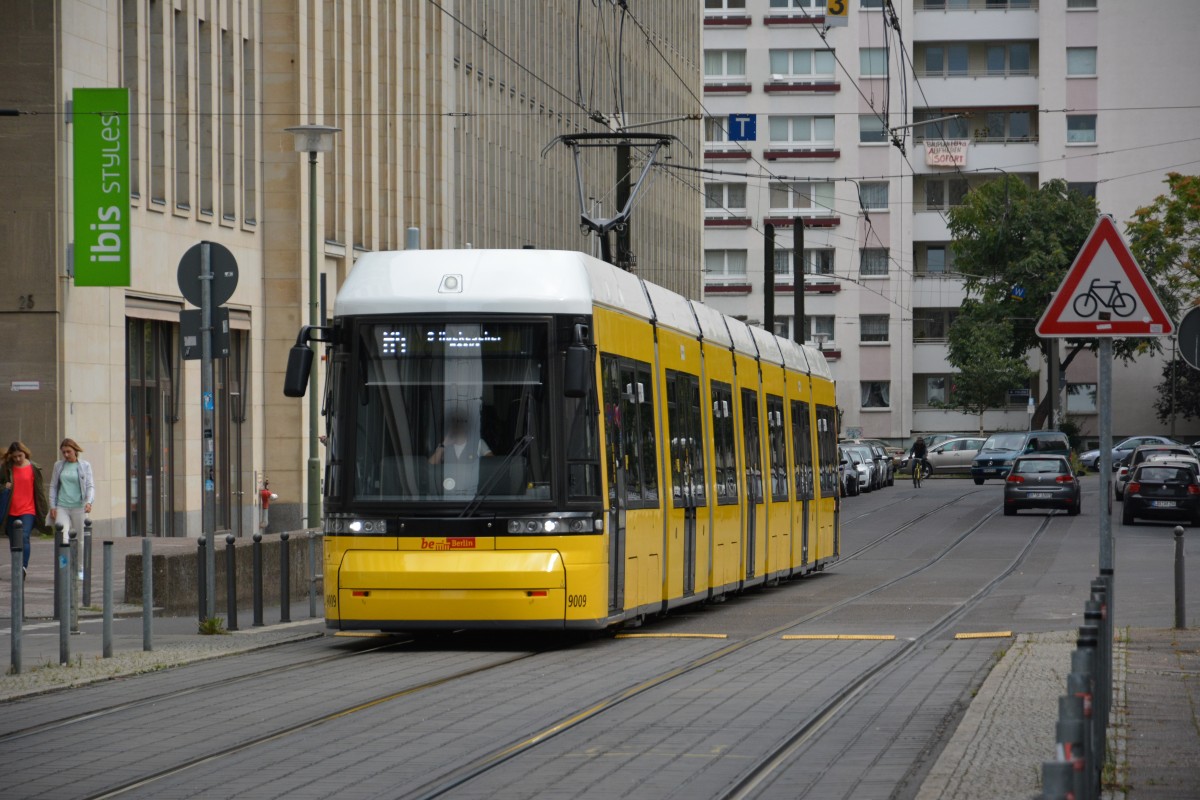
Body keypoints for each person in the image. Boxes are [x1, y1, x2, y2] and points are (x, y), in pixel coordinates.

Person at [1, 441, 49, 576]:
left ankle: (23, 567)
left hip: (28, 510)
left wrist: (44, 510)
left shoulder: (34, 468)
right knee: (13, 541)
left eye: (20, 456)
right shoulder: (6, 468)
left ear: (25, 453)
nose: (17, 459)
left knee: (24, 536)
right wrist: (5, 487)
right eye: (14, 456)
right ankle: (17, 565)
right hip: (10, 510)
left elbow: (40, 491)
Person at [49, 437, 95, 540]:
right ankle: (64, 557)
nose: (66, 455)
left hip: (79, 507)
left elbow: (90, 486)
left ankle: (80, 557)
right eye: (63, 452)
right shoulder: (58, 465)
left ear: (75, 450)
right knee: (62, 538)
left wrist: (89, 502)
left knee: (80, 539)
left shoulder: (85, 465)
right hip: (62, 506)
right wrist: (52, 506)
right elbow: (53, 486)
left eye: (68, 451)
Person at [428, 412, 493, 465]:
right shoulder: (444, 445)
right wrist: (444, 444)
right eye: (453, 422)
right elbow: (430, 466)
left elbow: (492, 464)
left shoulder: (478, 443)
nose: (456, 425)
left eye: (459, 421)